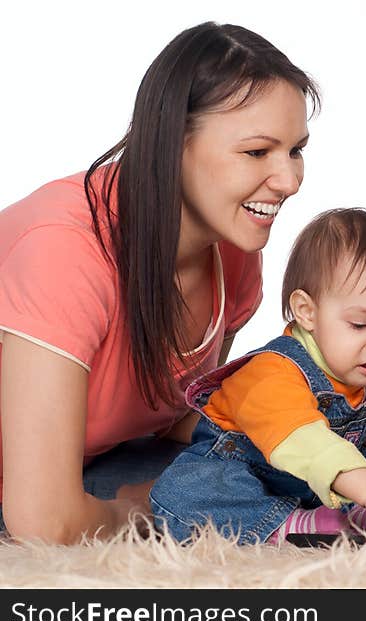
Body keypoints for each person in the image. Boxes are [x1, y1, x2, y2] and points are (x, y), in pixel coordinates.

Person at [0, 22, 320, 544]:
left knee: (287, 465)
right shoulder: (64, 251)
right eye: (258, 152)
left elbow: (177, 421)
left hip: (94, 465)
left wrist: (305, 421)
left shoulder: (234, 247)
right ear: (174, 143)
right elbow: (43, 523)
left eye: (296, 150)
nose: (288, 181)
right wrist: (139, 510)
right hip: (22, 495)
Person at [149, 209, 366, 545]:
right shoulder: (272, 373)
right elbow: (308, 443)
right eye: (360, 325)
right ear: (307, 311)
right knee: (183, 492)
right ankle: (290, 524)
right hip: (253, 471)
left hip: (335, 478)